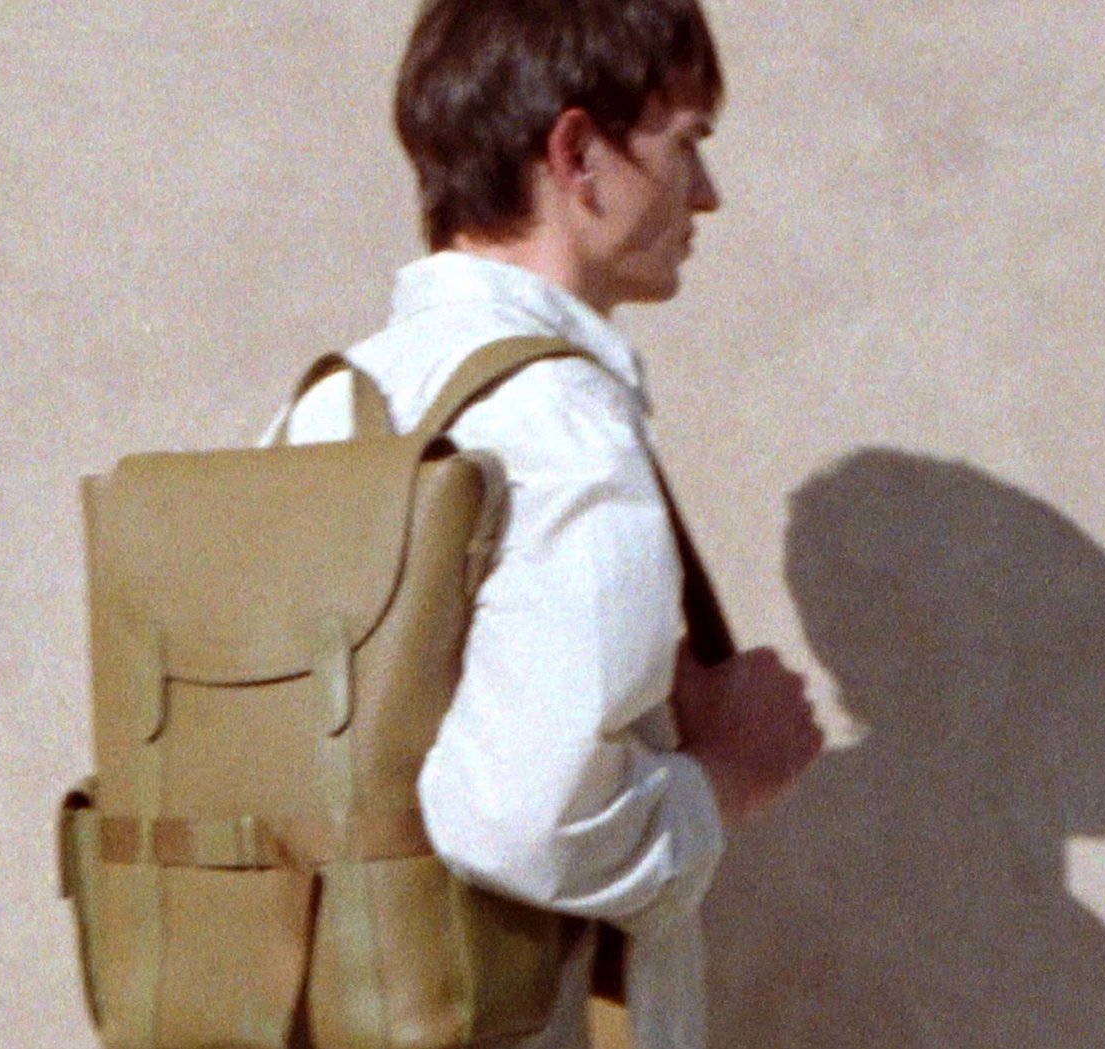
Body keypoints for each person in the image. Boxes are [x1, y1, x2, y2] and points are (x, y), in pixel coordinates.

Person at [272, 1, 823, 1046]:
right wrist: (728, 776)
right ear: (578, 155)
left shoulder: (328, 404)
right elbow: (528, 820)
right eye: (686, 142)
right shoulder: (562, 428)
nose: (707, 193)